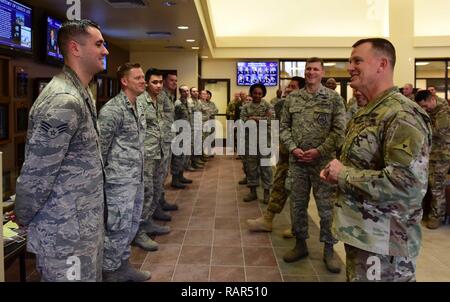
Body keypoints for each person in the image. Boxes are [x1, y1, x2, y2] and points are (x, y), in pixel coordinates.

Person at [321, 38, 432, 282]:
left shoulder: (401, 114)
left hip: (385, 245)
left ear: (382, 64)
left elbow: (407, 184)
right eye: (350, 61)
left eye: (357, 60)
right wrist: (337, 174)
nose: (349, 67)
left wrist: (343, 175)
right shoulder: (369, 111)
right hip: (364, 236)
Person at [15, 19, 108, 282]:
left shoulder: (81, 93)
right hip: (65, 235)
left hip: (82, 229)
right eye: (99, 44)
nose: (106, 51)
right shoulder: (63, 100)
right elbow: (37, 175)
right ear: (75, 48)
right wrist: (23, 215)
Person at [280, 57, 345, 273]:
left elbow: (338, 132)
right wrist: (293, 148)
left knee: (326, 209)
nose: (311, 72)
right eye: (308, 69)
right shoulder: (292, 99)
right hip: (297, 162)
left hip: (324, 165)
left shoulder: (334, 99)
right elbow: (283, 128)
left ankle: (329, 250)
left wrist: (319, 151)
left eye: (315, 69)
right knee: (297, 206)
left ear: (322, 73)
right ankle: (301, 245)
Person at [99, 63, 151, 282]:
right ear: (124, 81)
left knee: (130, 224)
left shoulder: (138, 105)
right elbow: (100, 148)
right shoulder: (112, 110)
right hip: (118, 182)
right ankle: (111, 270)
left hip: (135, 178)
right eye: (138, 78)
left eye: (143, 77)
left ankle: (123, 264)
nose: (143, 81)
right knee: (117, 226)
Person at [247, 77, 305, 233]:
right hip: (286, 154)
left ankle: (297, 229)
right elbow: (275, 124)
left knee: (297, 193)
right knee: (279, 186)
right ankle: (267, 219)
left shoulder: (308, 107)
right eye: (288, 86)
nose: (288, 89)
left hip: (302, 157)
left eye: (293, 87)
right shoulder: (282, 105)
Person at [134, 68, 171, 252]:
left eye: (160, 82)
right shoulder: (140, 101)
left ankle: (148, 222)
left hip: (161, 151)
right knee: (146, 192)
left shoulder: (160, 99)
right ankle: (139, 230)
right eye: (154, 82)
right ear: (147, 83)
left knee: (157, 188)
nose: (158, 86)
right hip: (147, 154)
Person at [415, 89, 450, 229]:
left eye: (425, 106)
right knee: (424, 184)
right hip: (429, 153)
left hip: (441, 154)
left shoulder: (444, 112)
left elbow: (439, 133)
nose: (424, 109)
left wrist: (420, 129)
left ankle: (437, 217)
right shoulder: (430, 110)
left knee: (437, 186)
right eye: (421, 107)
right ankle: (423, 213)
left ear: (432, 99)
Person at [240, 83, 274, 203]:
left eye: (260, 93)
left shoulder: (268, 105)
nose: (257, 95)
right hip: (251, 142)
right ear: (251, 93)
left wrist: (254, 118)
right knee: (251, 167)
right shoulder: (245, 107)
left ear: (263, 94)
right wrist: (262, 119)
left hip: (265, 141)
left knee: (266, 167)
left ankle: (266, 192)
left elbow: (271, 120)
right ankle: (252, 192)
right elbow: (244, 121)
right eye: (255, 93)